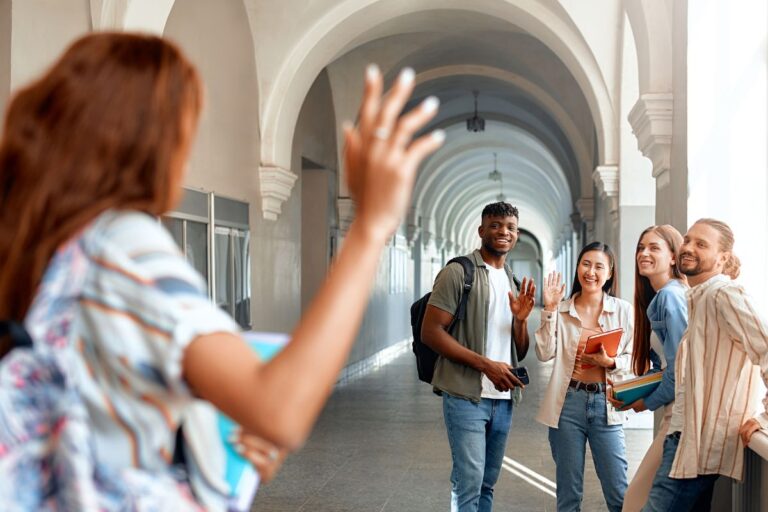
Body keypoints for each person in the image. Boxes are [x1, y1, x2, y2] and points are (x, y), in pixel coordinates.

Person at [0, 32, 444, 509]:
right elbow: (280, 411)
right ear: (148, 142)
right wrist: (371, 225)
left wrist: (209, 440)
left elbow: (91, 410)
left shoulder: (37, 251)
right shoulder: (120, 244)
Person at [642, 219, 768, 512]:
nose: (688, 248)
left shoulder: (725, 295)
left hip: (696, 446)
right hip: (686, 440)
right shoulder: (698, 297)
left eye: (701, 244)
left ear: (723, 258)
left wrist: (764, 417)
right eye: (687, 240)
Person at [421, 201, 536, 512]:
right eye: (496, 225)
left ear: (517, 236)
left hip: (503, 399)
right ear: (481, 230)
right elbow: (430, 332)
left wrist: (521, 320)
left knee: (487, 483)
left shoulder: (512, 281)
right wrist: (486, 365)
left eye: (510, 227)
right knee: (469, 482)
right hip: (465, 395)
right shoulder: (459, 272)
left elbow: (519, 351)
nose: (503, 232)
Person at [536, 242, 633, 512]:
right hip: (568, 405)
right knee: (568, 494)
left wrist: (610, 362)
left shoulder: (623, 311)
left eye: (599, 266)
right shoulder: (563, 310)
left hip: (607, 406)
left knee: (618, 491)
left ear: (610, 273)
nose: (591, 272)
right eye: (586, 264)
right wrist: (550, 310)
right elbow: (544, 353)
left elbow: (635, 362)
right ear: (577, 267)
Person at [613, 225, 687, 512]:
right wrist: (633, 392)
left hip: (680, 411)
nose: (643, 253)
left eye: (654, 247)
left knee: (635, 501)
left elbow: (679, 367)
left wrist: (647, 402)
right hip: (674, 409)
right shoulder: (658, 298)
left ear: (673, 256)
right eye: (641, 247)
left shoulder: (670, 296)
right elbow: (664, 365)